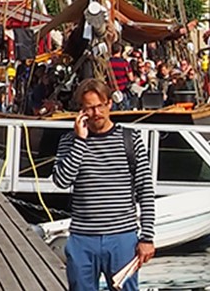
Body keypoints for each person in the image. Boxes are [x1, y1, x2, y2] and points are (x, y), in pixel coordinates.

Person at [52, 78, 154, 291]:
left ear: (109, 104)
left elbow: (145, 190)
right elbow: (62, 181)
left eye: (100, 106)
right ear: (81, 111)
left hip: (122, 238)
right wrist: (80, 142)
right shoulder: (68, 141)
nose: (96, 112)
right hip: (82, 238)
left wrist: (147, 237)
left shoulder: (130, 139)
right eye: (89, 107)